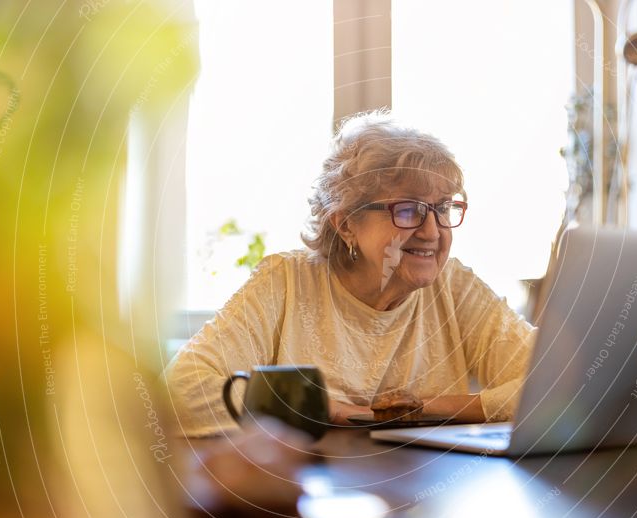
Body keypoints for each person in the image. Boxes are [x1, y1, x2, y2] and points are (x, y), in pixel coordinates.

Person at [167, 110, 537, 437]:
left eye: (442, 207)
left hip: (426, 495)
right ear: (345, 224)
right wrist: (319, 409)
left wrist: (423, 407)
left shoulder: (453, 286)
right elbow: (180, 390)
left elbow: (558, 382)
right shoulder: (287, 281)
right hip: (310, 494)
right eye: (407, 210)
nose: (432, 230)